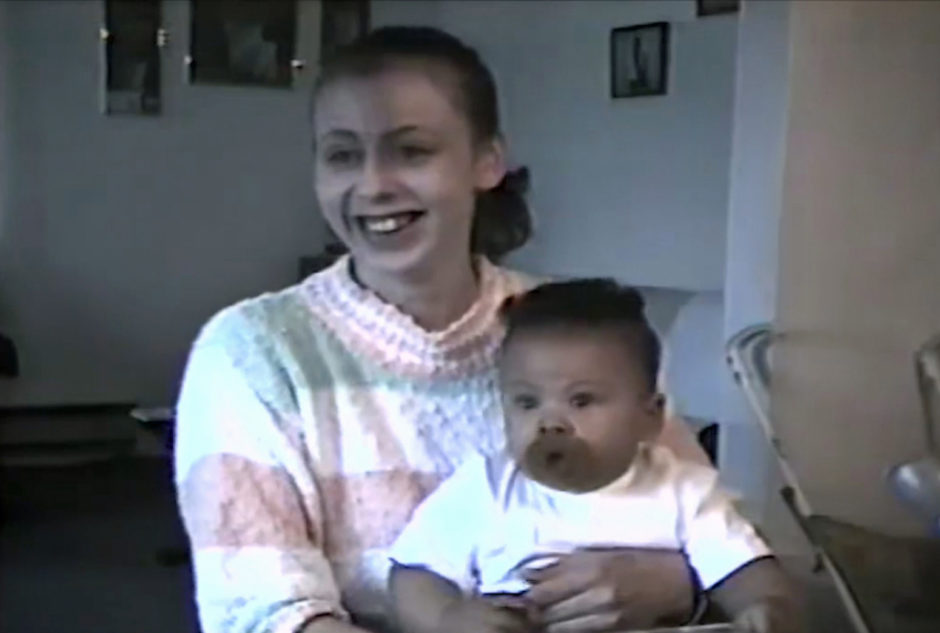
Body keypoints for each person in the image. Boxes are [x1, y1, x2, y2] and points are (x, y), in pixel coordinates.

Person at [175, 26, 713, 633]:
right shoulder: (252, 351)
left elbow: (713, 533)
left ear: (488, 161)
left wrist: (678, 583)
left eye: (412, 151)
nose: (374, 185)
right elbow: (265, 614)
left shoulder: (582, 331)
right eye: (343, 155)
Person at [390, 279, 798, 633]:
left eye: (581, 400)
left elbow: (745, 571)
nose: (551, 423)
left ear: (650, 417)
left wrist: (765, 609)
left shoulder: (684, 493)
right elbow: (413, 574)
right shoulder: (485, 487)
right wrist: (446, 619)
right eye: (527, 402)